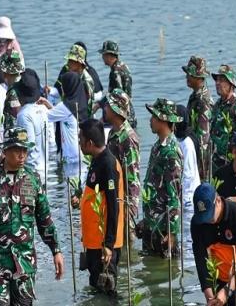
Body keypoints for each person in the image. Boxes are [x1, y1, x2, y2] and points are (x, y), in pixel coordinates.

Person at [0, 126, 64, 305]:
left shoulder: (33, 180)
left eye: (25, 150)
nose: (22, 155)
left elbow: (44, 219)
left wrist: (56, 250)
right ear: (5, 150)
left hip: (25, 261)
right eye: (17, 150)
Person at [77, 119, 124, 296]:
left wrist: (109, 244)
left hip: (103, 243)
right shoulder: (96, 160)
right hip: (94, 240)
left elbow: (114, 206)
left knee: (107, 290)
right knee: (96, 286)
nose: (79, 143)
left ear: (89, 143)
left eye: (81, 139)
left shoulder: (108, 165)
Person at [191, 183, 236, 306]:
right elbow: (200, 259)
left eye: (209, 214)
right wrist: (209, 296)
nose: (206, 221)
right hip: (219, 276)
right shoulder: (198, 222)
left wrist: (226, 291)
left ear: (218, 201)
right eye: (202, 216)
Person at [138, 98, 183, 258]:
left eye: (154, 117)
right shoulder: (158, 147)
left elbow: (174, 196)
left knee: (166, 271)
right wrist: (146, 220)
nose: (150, 120)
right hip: (153, 223)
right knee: (150, 272)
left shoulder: (171, 153)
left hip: (164, 228)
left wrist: (172, 232)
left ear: (163, 120)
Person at [105, 89, 140, 237]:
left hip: (124, 204)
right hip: (114, 198)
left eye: (109, 105)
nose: (105, 108)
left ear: (116, 109)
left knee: (126, 249)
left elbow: (132, 177)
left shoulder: (128, 138)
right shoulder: (113, 132)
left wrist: (129, 209)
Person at [37, 72, 88, 164]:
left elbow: (45, 117)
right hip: (81, 152)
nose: (61, 88)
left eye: (63, 85)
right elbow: (62, 115)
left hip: (70, 155)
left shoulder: (65, 106)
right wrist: (47, 104)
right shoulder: (80, 102)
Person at [211, 65, 236, 173]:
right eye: (217, 80)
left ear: (231, 84)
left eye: (222, 80)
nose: (217, 83)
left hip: (232, 167)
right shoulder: (217, 105)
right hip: (215, 165)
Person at [182, 55, 213, 181]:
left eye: (190, 75)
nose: (187, 77)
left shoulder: (203, 101)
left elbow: (203, 139)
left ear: (199, 78)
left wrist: (198, 165)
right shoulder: (194, 96)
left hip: (201, 157)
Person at [16, 68, 48, 177]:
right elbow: (51, 142)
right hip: (45, 169)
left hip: (31, 172)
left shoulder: (23, 115)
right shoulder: (44, 109)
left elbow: (27, 145)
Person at [98, 40, 137, 128]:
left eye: (103, 54)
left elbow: (116, 97)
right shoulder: (123, 66)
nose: (102, 57)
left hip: (122, 118)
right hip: (131, 114)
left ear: (108, 55)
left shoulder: (115, 72)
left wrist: (99, 107)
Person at [175, 104, 201, 206]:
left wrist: (185, 200)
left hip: (189, 197)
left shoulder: (187, 142)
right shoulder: (181, 138)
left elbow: (188, 174)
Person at [0, 49, 25, 129]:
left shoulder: (13, 92)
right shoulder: (25, 84)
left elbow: (16, 114)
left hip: (15, 134)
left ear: (5, 73)